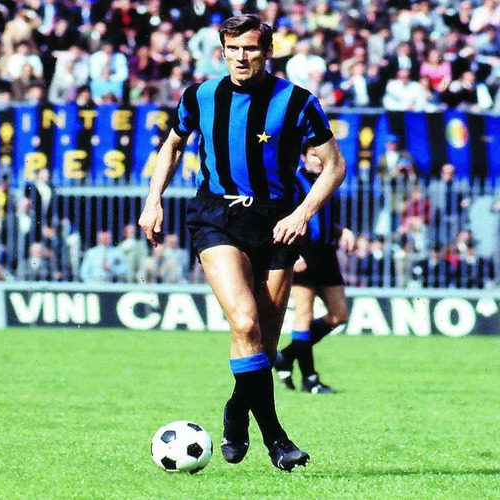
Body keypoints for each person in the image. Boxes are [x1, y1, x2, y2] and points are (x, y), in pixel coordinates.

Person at [138, 15, 346, 472]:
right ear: (222, 51)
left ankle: (236, 411)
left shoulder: (297, 101)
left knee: (264, 346)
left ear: (267, 51)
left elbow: (334, 165)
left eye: (250, 48)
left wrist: (302, 213)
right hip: (218, 216)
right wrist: (153, 200)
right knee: (245, 321)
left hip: (278, 222)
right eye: (232, 49)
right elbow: (173, 146)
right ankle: (277, 440)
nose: (240, 57)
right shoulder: (199, 96)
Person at [274, 142, 355, 395]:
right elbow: (282, 217)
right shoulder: (293, 182)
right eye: (314, 155)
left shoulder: (328, 181)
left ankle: (286, 356)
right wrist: (292, 252)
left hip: (326, 254)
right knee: (304, 315)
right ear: (303, 157)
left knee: (339, 315)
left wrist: (342, 231)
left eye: (321, 156)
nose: (319, 160)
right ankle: (310, 379)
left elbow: (323, 220)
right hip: (303, 252)